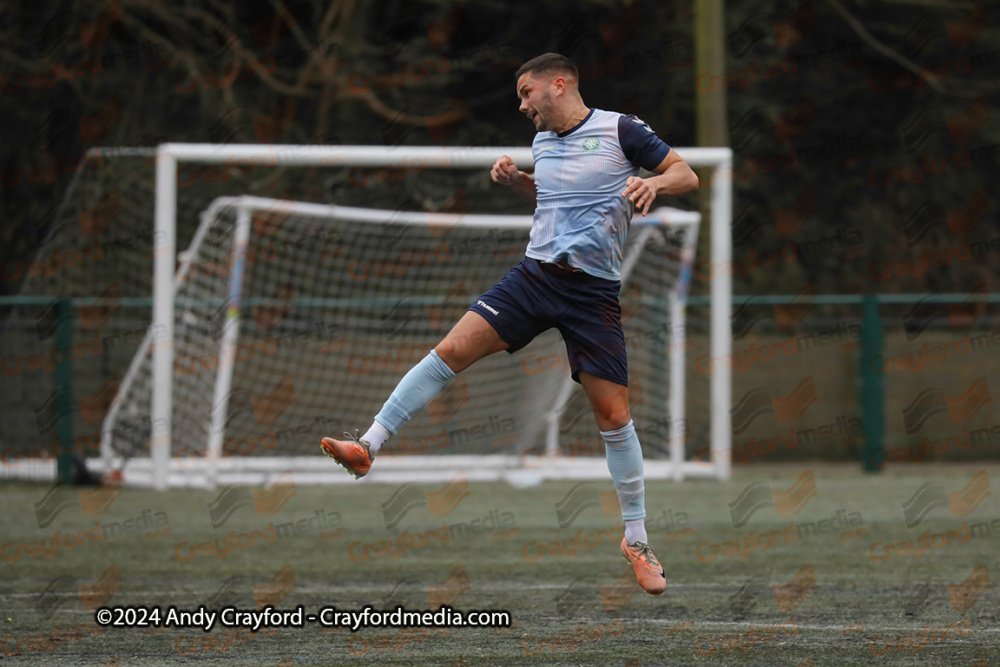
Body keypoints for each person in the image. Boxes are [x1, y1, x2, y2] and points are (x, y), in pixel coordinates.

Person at [322, 52, 698, 596]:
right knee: (451, 349)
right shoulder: (543, 144)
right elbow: (549, 200)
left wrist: (655, 187)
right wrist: (519, 181)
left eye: (526, 93)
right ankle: (369, 446)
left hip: (592, 294)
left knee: (613, 414)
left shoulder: (620, 130)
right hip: (535, 278)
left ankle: (636, 539)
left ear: (559, 84)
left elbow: (685, 172)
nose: (522, 104)